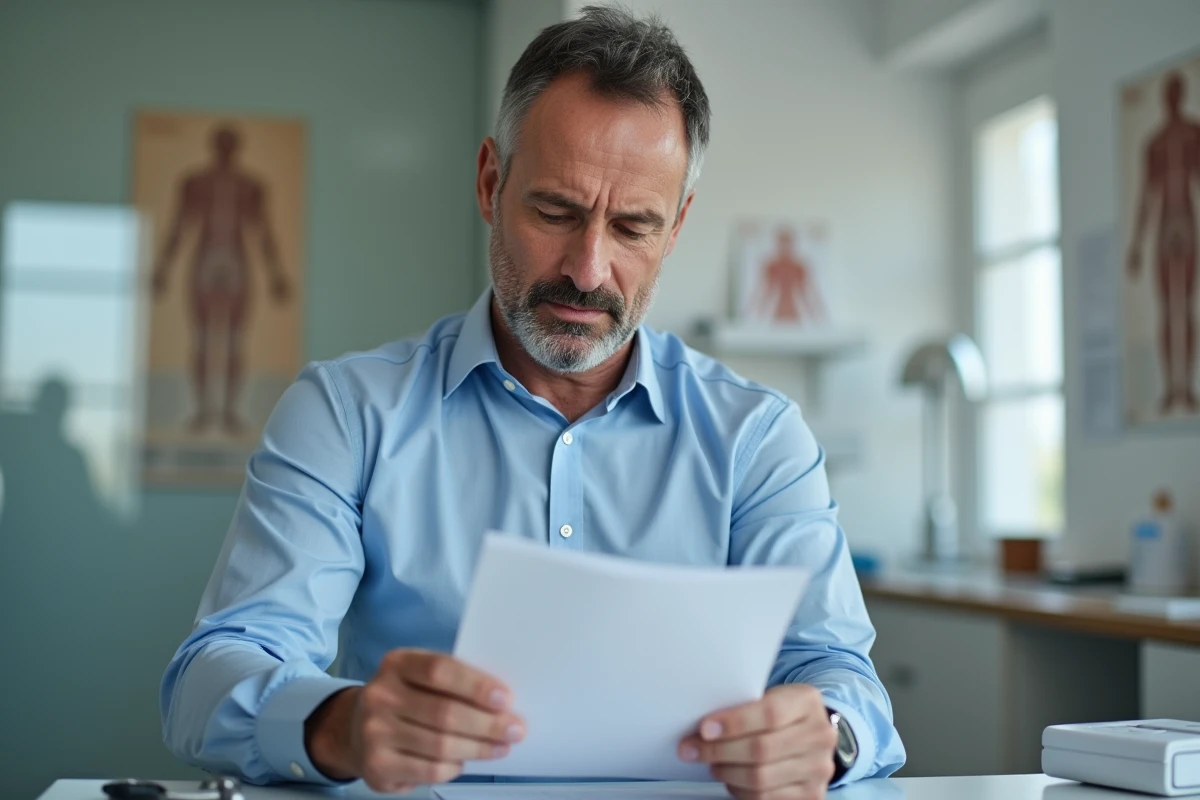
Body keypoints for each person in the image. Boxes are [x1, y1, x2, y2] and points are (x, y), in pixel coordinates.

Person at [161, 7, 905, 799]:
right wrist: (337, 722)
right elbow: (211, 678)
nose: (588, 270)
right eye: (556, 212)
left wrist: (827, 736)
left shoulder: (758, 438)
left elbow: (843, 681)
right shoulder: (346, 413)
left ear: (678, 225)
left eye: (632, 227)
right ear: (490, 182)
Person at [151, 125, 291, 434]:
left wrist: (276, 275)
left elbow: (263, 231)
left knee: (235, 339)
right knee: (202, 337)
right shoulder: (195, 182)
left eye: (230, 143)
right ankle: (202, 411)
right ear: (214, 146)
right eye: (222, 143)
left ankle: (228, 412)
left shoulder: (250, 185)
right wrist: (163, 268)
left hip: (236, 260)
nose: (226, 149)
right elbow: (179, 225)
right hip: (206, 258)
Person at [1127, 71, 1200, 414]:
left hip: (1185, 218)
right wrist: (1137, 244)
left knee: (1184, 305)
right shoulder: (1154, 143)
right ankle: (1170, 388)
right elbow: (1146, 196)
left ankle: (1187, 385)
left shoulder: (1193, 133)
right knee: (1166, 309)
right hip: (1164, 223)